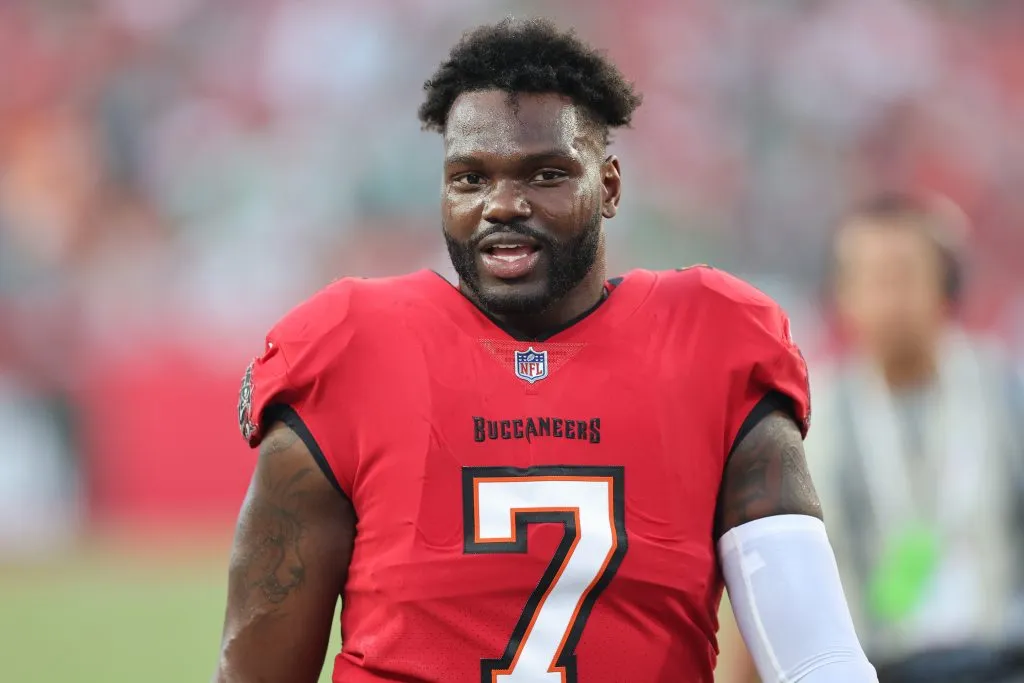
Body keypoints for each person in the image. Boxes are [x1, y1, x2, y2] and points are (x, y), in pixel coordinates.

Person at [213, 19, 876, 683]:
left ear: (609, 186)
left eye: (546, 174)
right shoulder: (351, 348)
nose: (503, 204)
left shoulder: (711, 341)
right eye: (470, 179)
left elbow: (816, 658)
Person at [726, 192, 1024, 682]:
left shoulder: (1006, 395)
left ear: (947, 285)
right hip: (875, 667)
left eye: (903, 275)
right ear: (841, 295)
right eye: (870, 279)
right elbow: (770, 579)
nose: (888, 299)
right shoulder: (805, 422)